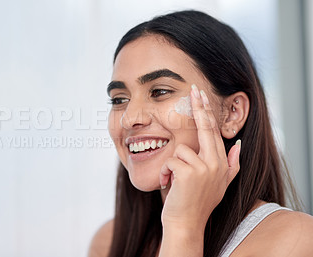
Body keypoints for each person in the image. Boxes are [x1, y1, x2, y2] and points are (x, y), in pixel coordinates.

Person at [88, 10, 313, 257]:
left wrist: (183, 228)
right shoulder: (107, 243)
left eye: (160, 91)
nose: (129, 118)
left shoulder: (295, 240)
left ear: (231, 113)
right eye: (119, 99)